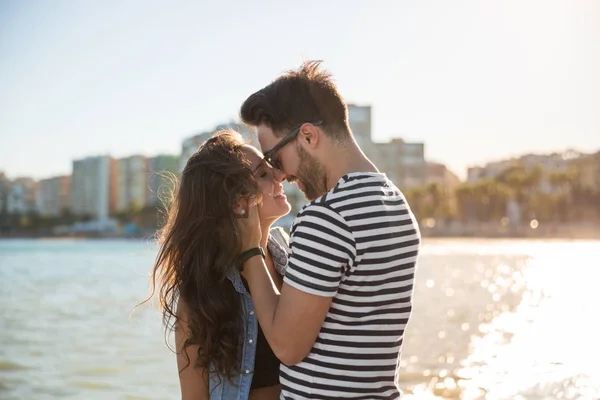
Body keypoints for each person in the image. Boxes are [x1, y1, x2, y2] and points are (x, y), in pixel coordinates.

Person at [234, 61, 421, 399]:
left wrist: (250, 251)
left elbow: (288, 346)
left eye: (275, 159)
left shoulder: (327, 215)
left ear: (308, 135)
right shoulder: (395, 202)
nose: (280, 176)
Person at [149, 130, 292, 399]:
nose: (279, 175)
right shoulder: (202, 296)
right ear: (237, 203)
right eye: (263, 173)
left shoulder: (293, 254)